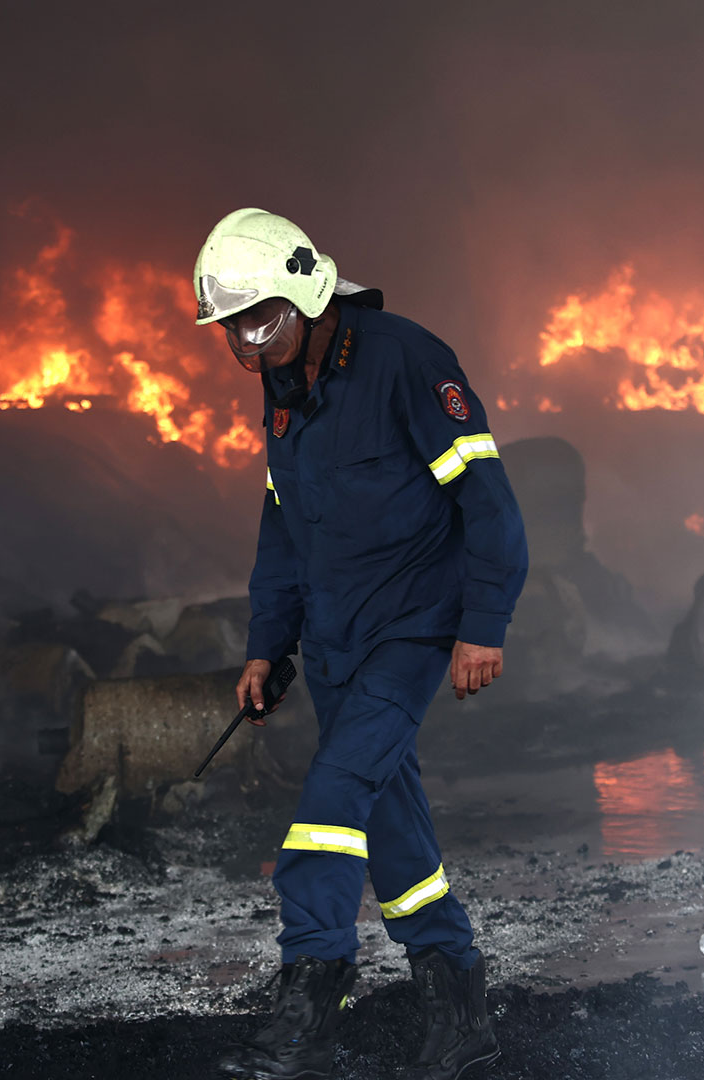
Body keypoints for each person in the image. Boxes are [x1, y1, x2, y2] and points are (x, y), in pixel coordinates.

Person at [195, 208, 529, 1080]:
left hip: (411, 628)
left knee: (332, 803)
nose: (246, 347)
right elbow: (283, 524)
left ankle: (308, 1010)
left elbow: (489, 501)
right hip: (334, 641)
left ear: (307, 293)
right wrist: (267, 646)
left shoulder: (406, 359)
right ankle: (459, 1007)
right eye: (232, 331)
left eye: (258, 323)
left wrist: (482, 626)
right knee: (391, 822)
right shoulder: (284, 378)